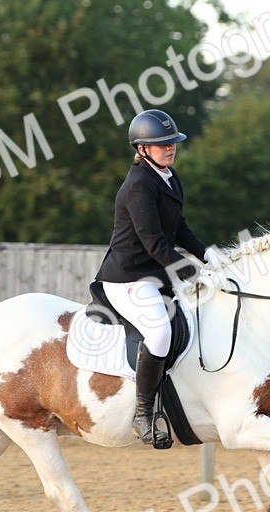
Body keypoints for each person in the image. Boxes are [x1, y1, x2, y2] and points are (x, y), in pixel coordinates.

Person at [94, 109, 228, 448]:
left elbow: (179, 228)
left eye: (172, 143)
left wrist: (208, 254)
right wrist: (194, 273)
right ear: (142, 149)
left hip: (154, 275)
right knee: (159, 332)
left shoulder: (169, 177)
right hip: (128, 278)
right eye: (162, 145)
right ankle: (143, 414)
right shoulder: (138, 185)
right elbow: (153, 241)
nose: (170, 148)